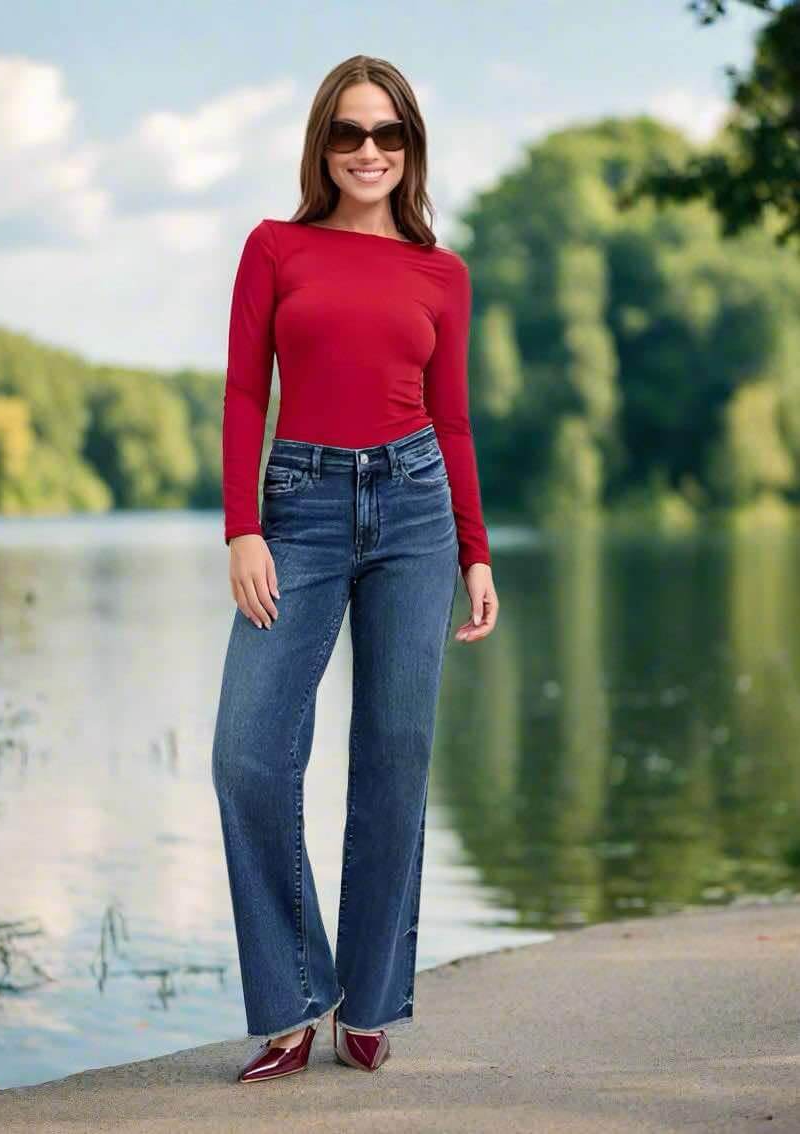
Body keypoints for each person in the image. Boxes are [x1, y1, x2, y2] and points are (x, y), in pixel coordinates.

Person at [211, 53, 499, 1084]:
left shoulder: (442, 273)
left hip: (417, 510)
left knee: (393, 761)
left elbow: (453, 416)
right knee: (246, 754)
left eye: (388, 134)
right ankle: (291, 998)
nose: (368, 152)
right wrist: (244, 528)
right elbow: (247, 393)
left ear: (411, 148)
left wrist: (474, 547)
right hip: (298, 506)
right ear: (321, 146)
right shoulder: (275, 247)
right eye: (348, 133)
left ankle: (368, 1004)